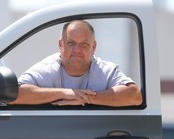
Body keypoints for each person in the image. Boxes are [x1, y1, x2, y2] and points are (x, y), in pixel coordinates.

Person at [10, 20, 143, 107]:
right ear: (61, 45)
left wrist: (86, 98)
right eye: (71, 43)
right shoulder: (48, 68)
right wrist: (65, 93)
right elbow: (14, 95)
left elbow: (134, 96)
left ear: (93, 47)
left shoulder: (105, 70)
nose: (77, 50)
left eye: (84, 44)